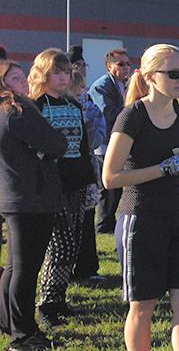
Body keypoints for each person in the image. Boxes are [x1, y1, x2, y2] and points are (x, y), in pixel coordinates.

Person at [102, 43, 179, 350]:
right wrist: (164, 168)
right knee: (143, 307)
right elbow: (110, 178)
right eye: (173, 73)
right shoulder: (132, 116)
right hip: (141, 217)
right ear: (149, 76)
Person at [0, 59, 67, 350]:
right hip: (32, 198)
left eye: (23, 75)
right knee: (25, 271)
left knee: (14, 268)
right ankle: (23, 335)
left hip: (13, 195)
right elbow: (57, 144)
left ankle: (9, 322)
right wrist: (53, 143)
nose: (24, 81)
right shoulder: (19, 110)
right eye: (15, 78)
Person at [28, 49, 96, 327]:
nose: (63, 77)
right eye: (57, 72)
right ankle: (46, 303)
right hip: (51, 184)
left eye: (66, 72)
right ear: (44, 73)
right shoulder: (35, 105)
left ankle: (59, 297)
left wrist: (89, 178)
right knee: (58, 246)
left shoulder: (74, 105)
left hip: (76, 180)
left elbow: (81, 146)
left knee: (72, 245)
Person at [67, 70, 108, 285]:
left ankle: (86, 266)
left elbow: (96, 137)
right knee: (69, 225)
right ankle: (73, 266)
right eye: (80, 88)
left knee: (86, 220)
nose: (83, 92)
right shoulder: (63, 106)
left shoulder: (89, 107)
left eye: (84, 87)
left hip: (86, 169)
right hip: (69, 173)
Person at [89, 48, 132, 234]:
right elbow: (107, 114)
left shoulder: (124, 84)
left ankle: (110, 221)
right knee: (106, 188)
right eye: (121, 64)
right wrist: (130, 110)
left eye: (128, 63)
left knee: (118, 186)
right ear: (109, 66)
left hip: (119, 141)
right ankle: (103, 225)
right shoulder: (102, 86)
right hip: (105, 143)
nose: (126, 67)